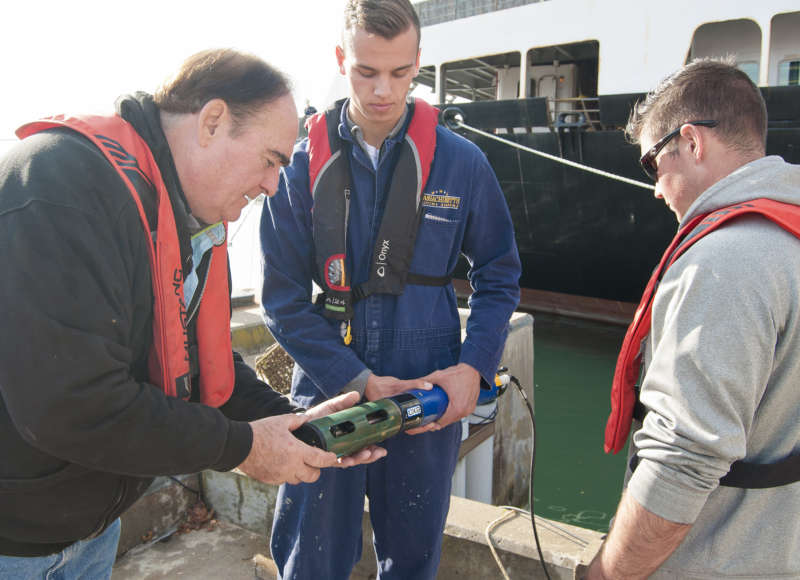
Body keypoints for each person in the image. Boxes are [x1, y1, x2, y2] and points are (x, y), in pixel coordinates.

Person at [0, 48, 384, 579]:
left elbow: (193, 357)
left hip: (89, 530)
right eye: (271, 160)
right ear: (212, 122)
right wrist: (244, 448)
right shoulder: (58, 187)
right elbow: (72, 404)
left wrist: (291, 428)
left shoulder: (170, 212)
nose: (273, 185)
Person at [259, 1, 521, 578]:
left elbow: (499, 274)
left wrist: (472, 368)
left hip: (426, 391)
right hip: (329, 394)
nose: (383, 90)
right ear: (339, 60)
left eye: (400, 73)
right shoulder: (297, 168)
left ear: (419, 62)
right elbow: (280, 299)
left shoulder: (463, 163)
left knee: (413, 561)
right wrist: (356, 379)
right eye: (365, 71)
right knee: (310, 561)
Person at [585, 59, 800, 579]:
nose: (655, 188)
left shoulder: (722, 264)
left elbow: (683, 460)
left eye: (652, 164)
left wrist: (606, 574)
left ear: (692, 142)